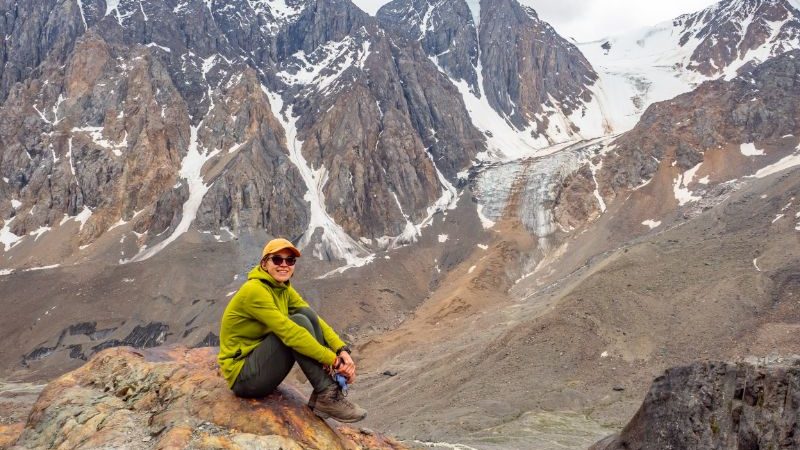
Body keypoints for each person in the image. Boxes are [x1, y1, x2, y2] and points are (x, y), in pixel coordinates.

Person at [218, 238, 367, 422]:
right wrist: (334, 362)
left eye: (290, 260)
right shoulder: (254, 290)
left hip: (259, 363)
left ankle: (324, 395)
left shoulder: (282, 289)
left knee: (306, 315)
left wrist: (341, 350)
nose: (284, 265)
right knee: (298, 324)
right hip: (244, 379)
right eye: (277, 260)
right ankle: (326, 394)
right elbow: (290, 333)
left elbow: (316, 320)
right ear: (264, 263)